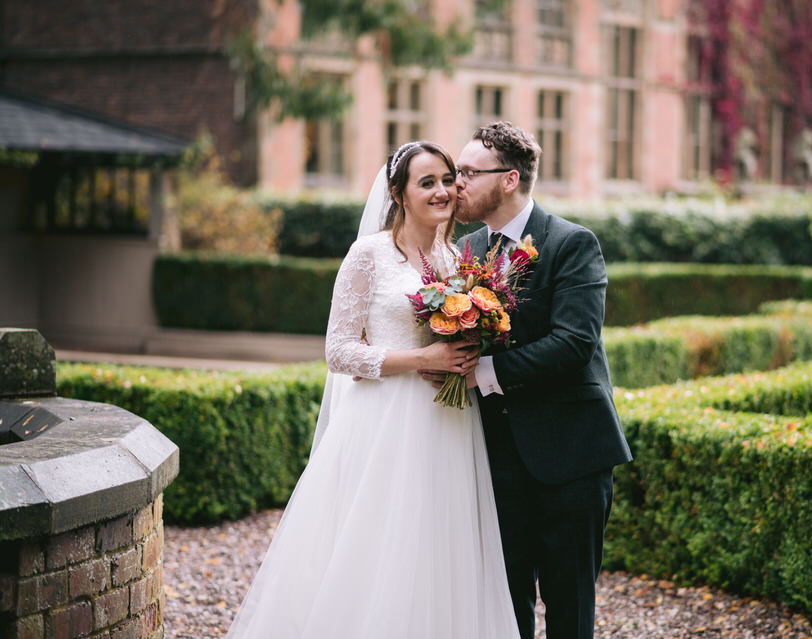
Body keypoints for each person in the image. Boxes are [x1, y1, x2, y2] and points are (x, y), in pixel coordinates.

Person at [225, 141, 520, 639]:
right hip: (383, 423)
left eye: (448, 180)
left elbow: (459, 340)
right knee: (381, 544)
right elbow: (338, 351)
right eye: (427, 183)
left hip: (448, 425)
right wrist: (421, 359)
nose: (443, 191)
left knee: (439, 547)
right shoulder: (369, 255)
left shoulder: (459, 261)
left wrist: (467, 351)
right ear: (398, 194)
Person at [447, 122, 633, 639]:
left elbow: (575, 344)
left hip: (571, 455)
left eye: (467, 172)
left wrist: (485, 371)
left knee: (569, 606)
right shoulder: (465, 252)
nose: (456, 182)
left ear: (509, 179)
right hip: (494, 458)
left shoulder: (573, 244)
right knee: (505, 606)